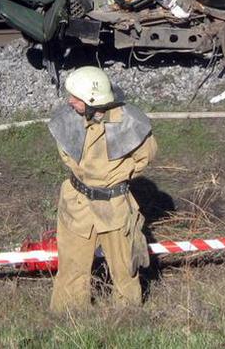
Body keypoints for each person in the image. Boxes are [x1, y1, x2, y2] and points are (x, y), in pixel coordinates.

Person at [49, 66, 157, 312]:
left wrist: (114, 176)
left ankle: (126, 320)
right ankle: (69, 318)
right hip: (76, 205)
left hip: (115, 208)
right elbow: (66, 155)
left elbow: (145, 156)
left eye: (76, 98)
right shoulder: (67, 118)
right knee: (72, 269)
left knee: (124, 270)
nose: (70, 101)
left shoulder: (131, 123)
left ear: (92, 100)